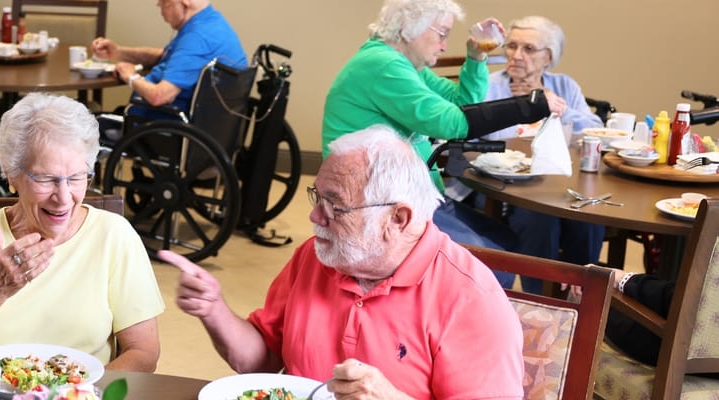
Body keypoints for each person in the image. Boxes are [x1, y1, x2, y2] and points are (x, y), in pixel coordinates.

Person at [164, 126, 524, 399]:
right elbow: (263, 362)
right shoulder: (318, 255)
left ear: (397, 219)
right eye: (317, 197)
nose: (314, 217)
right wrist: (213, 309)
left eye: (335, 205)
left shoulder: (470, 299)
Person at [0, 93, 164, 376]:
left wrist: (78, 394)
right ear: (11, 174)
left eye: (77, 177)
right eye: (46, 178)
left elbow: (143, 352)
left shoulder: (114, 236)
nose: (64, 198)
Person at [321, 0, 560, 253]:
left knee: (505, 241)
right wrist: (529, 106)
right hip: (378, 205)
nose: (444, 45)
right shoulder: (382, 65)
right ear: (407, 27)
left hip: (413, 195)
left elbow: (462, 104)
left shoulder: (407, 66)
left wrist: (477, 56)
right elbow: (452, 124)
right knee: (491, 259)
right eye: (442, 34)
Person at [469, 16, 605, 292]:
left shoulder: (564, 85)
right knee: (540, 218)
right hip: (501, 183)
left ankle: (583, 295)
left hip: (558, 182)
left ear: (548, 57)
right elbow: (474, 132)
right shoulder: (489, 84)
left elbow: (595, 129)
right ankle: (540, 300)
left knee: (588, 215)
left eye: (528, 49)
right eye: (511, 46)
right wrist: (520, 108)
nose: (516, 56)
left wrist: (549, 101)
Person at [89, 0, 246, 119]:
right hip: (191, 126)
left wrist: (130, 77)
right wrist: (118, 52)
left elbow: (160, 96)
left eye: (165, 1)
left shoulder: (197, 37)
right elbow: (164, 56)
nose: (159, 5)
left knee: (83, 127)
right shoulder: (210, 22)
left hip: (164, 128)